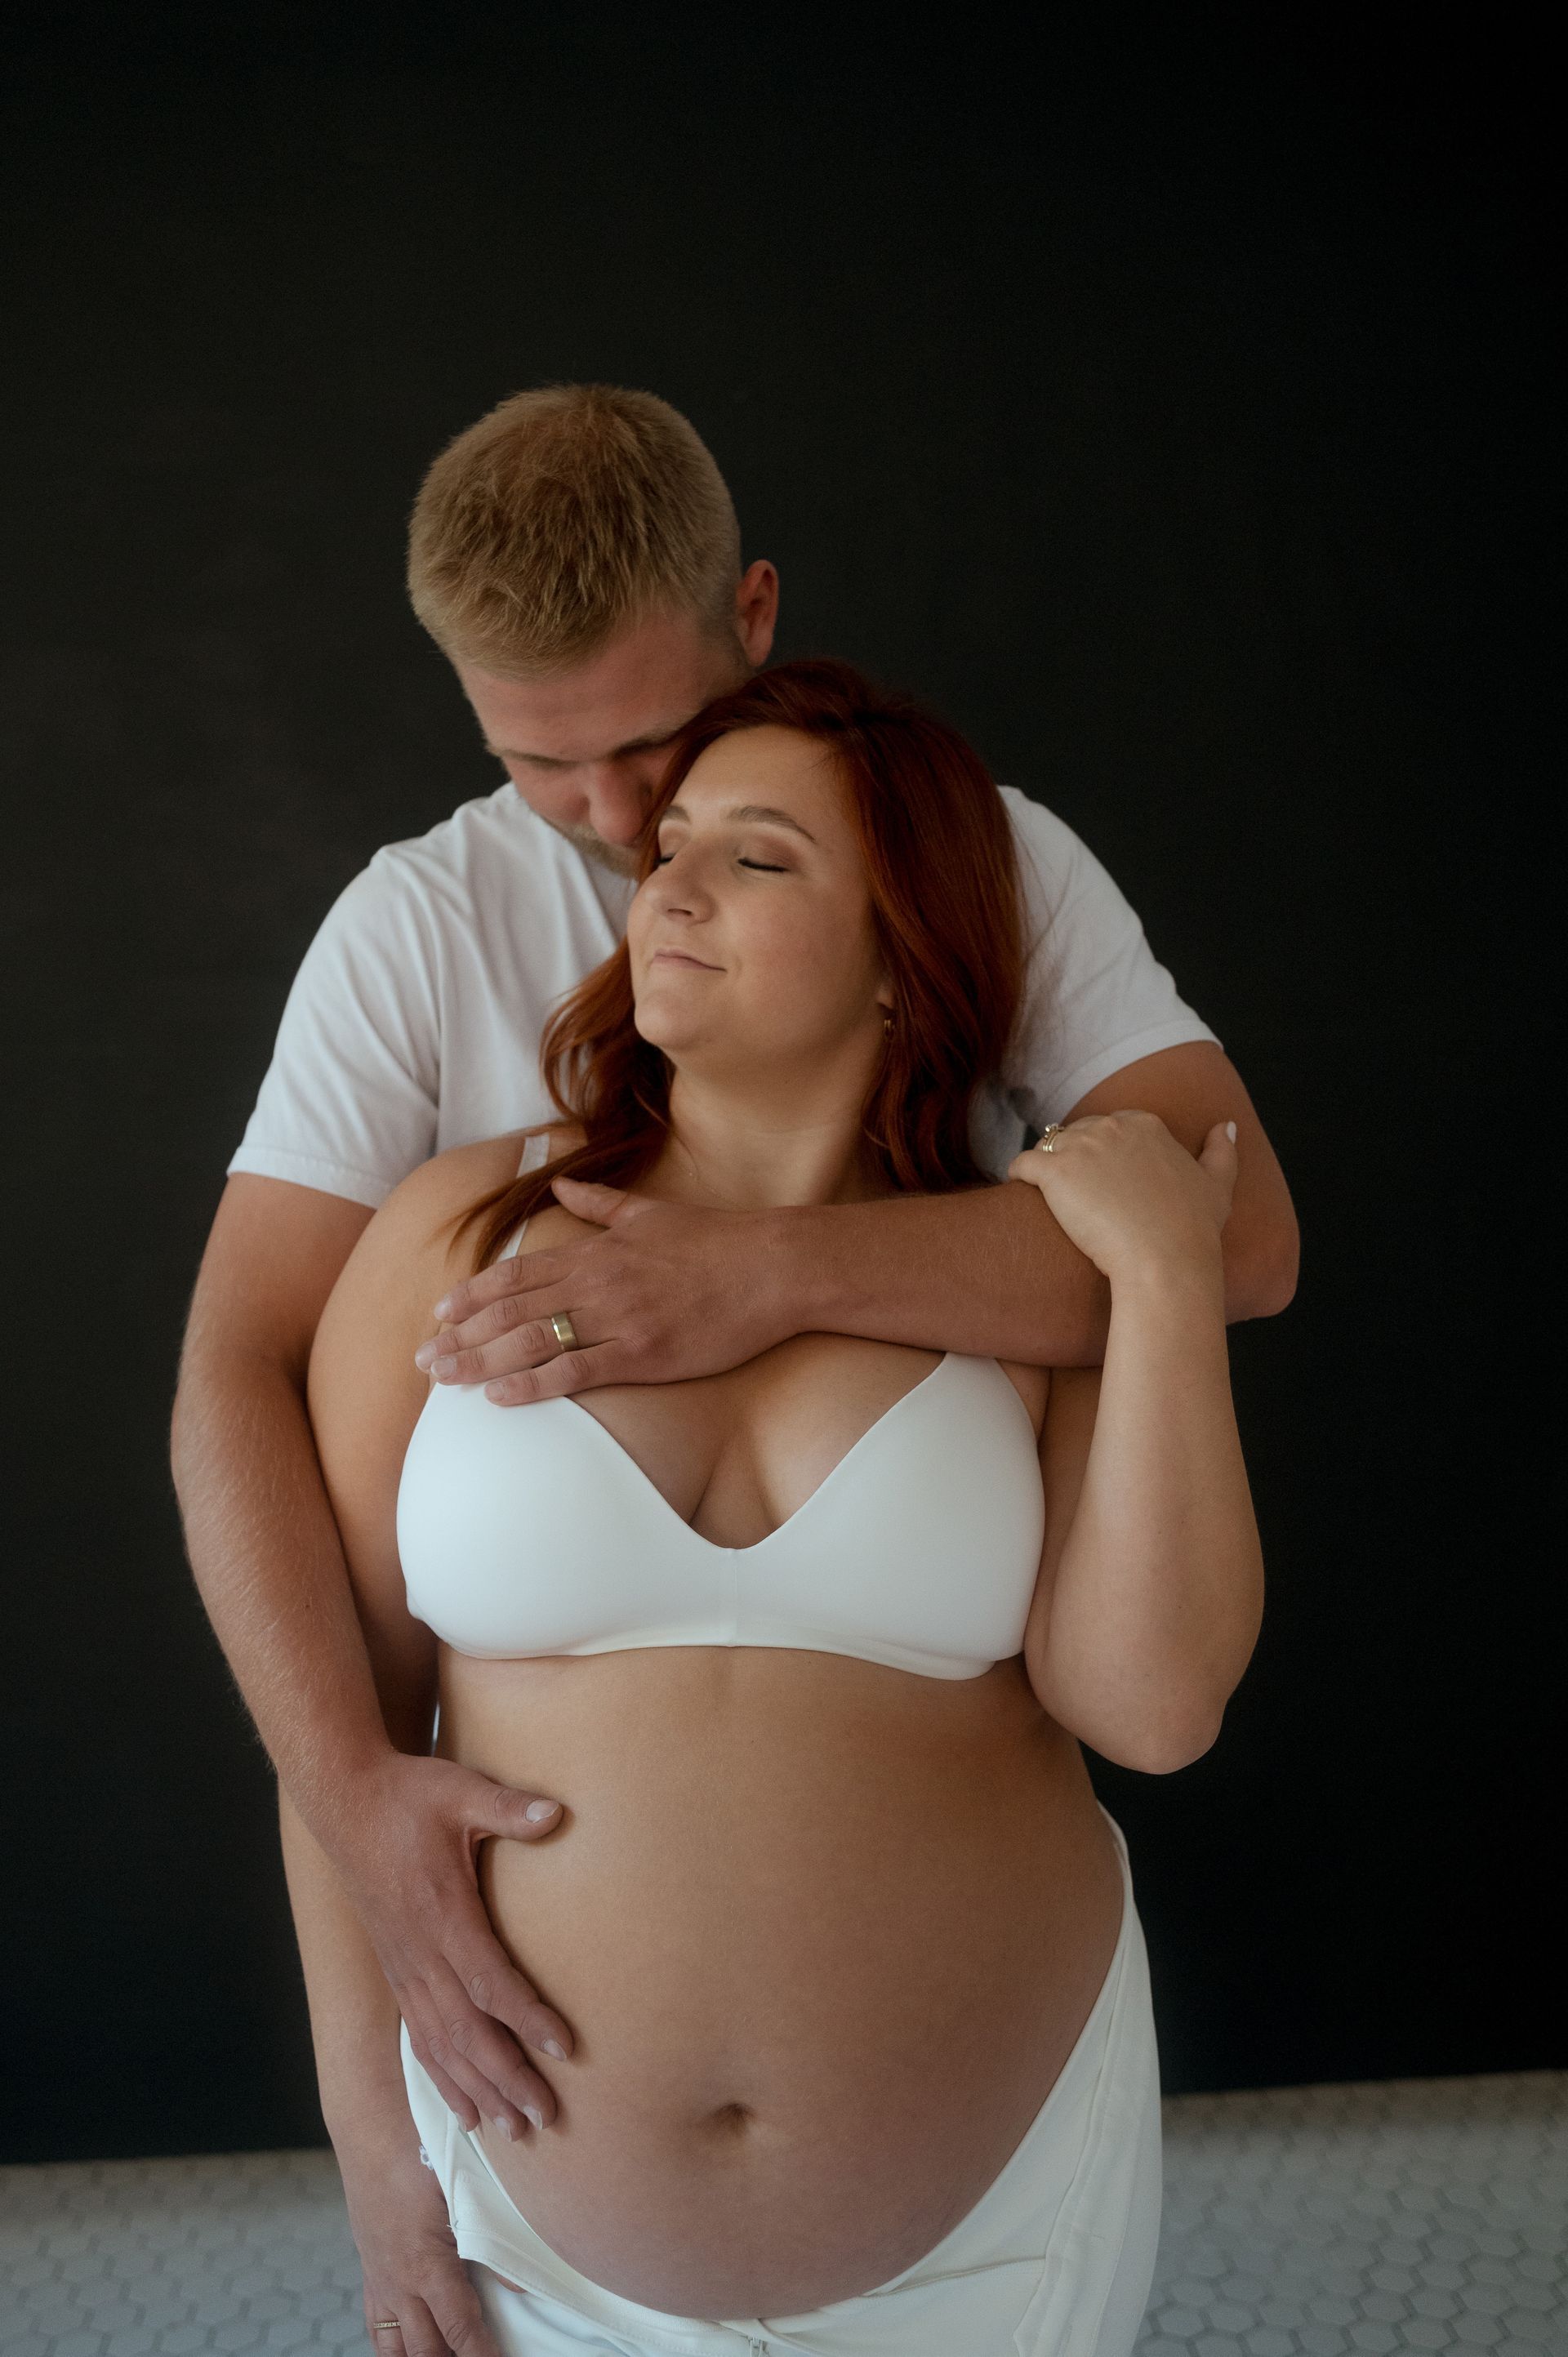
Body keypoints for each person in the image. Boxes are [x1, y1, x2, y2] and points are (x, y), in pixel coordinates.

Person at [171, 385, 1298, 2355]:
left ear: (754, 614)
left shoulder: (974, 861)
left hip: (997, 2194)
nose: (628, 847)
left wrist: (781, 1274)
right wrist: (357, 1841)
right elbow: (238, 1398)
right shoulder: (431, 1056)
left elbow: (1232, 1246)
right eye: (551, 769)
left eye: (674, 775)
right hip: (543, 2190)